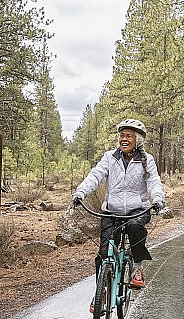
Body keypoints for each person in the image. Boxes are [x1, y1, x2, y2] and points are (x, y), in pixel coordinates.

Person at [71, 119, 166, 297]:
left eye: (128, 136)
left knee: (135, 227)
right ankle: (102, 291)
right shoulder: (110, 158)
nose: (124, 139)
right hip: (111, 211)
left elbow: (154, 183)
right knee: (103, 253)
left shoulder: (147, 160)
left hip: (137, 209)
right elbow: (95, 176)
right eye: (121, 136)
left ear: (137, 140)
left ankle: (137, 268)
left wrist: (158, 199)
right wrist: (80, 193)